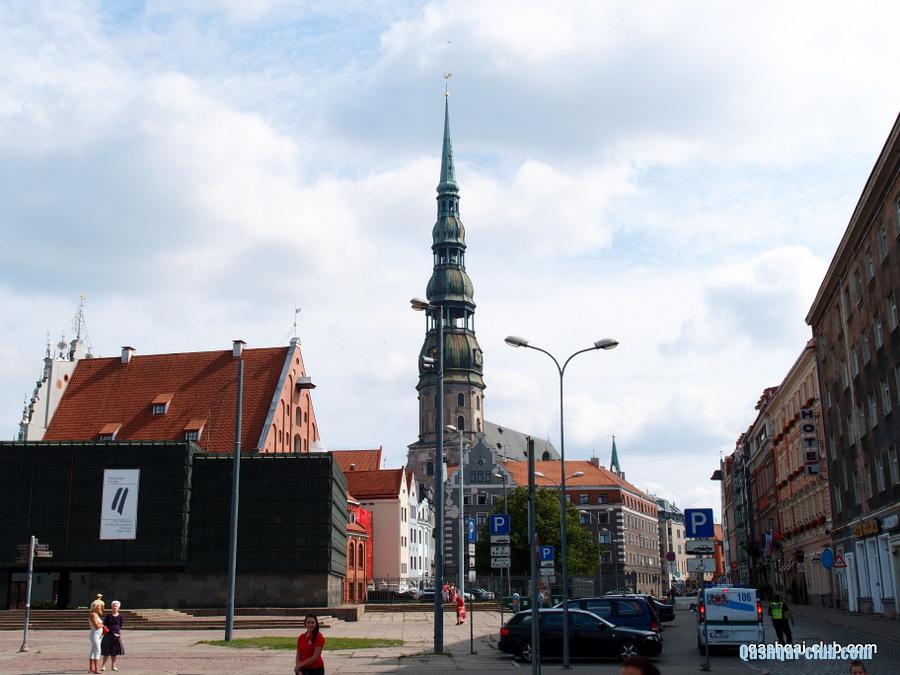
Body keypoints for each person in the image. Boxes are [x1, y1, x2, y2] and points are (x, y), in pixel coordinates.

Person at [100, 600, 125, 671]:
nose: (114, 607)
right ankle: (103, 666)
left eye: (115, 606)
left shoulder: (120, 616)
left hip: (116, 636)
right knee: (106, 651)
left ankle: (113, 666)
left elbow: (120, 625)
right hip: (108, 635)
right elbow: (104, 624)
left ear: (118, 607)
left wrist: (117, 631)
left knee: (114, 651)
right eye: (113, 606)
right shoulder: (108, 616)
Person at [88, 595, 105, 674]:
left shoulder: (97, 614)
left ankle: (91, 668)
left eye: (100, 606)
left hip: (99, 635)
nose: (100, 608)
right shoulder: (93, 615)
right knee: (98, 650)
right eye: (99, 606)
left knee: (93, 651)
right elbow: (97, 626)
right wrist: (103, 625)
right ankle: (96, 669)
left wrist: (101, 625)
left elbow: (98, 625)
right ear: (95, 607)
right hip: (95, 635)